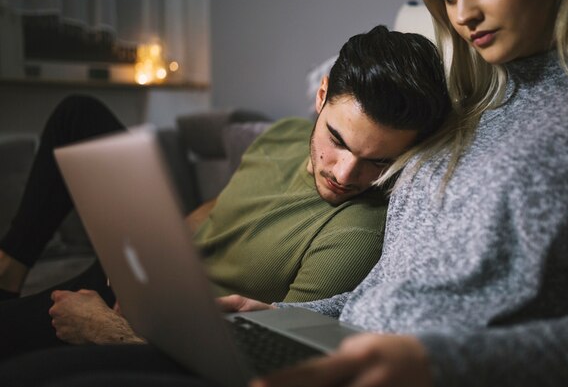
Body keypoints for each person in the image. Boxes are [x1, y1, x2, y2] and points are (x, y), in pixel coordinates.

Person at [4, 0, 568, 385]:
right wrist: (279, 314)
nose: (463, 11)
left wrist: (431, 363)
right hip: (333, 348)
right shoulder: (467, 108)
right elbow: (384, 290)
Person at [0, 25, 452, 359]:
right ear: (321, 96)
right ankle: (9, 269)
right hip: (144, 272)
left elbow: (273, 360)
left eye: (379, 161)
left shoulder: (358, 233)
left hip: (154, 333)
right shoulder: (283, 135)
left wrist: (114, 331)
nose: (347, 174)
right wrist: (146, 251)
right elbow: (219, 207)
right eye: (337, 140)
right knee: (79, 114)